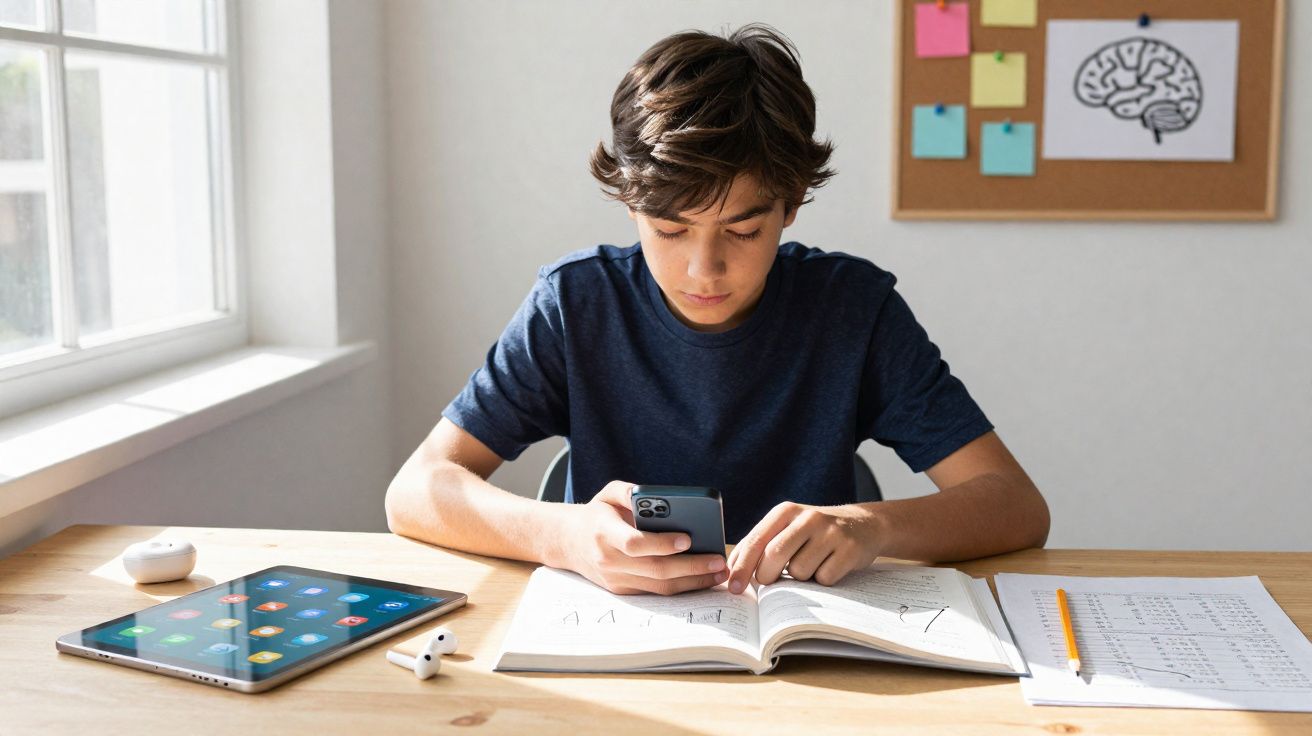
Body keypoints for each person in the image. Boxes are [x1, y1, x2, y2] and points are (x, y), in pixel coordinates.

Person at [385, 24, 1049, 596]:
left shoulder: (853, 311)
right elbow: (415, 491)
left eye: (743, 231)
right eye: (671, 231)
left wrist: (874, 524)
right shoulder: (576, 305)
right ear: (630, 205)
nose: (704, 270)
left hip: (811, 653)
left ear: (790, 206)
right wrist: (562, 534)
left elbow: (1017, 506)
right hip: (616, 644)